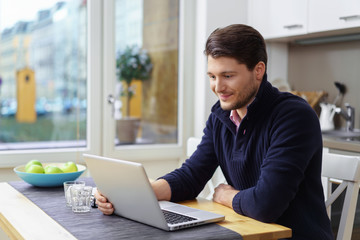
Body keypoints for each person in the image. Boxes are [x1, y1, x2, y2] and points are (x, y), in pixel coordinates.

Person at [95, 24, 334, 239]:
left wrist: (225, 196)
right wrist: (133, 195)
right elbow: (192, 176)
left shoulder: (293, 116)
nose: (218, 87)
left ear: (258, 70)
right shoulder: (220, 117)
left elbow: (265, 205)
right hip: (246, 232)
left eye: (228, 76)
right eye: (212, 76)